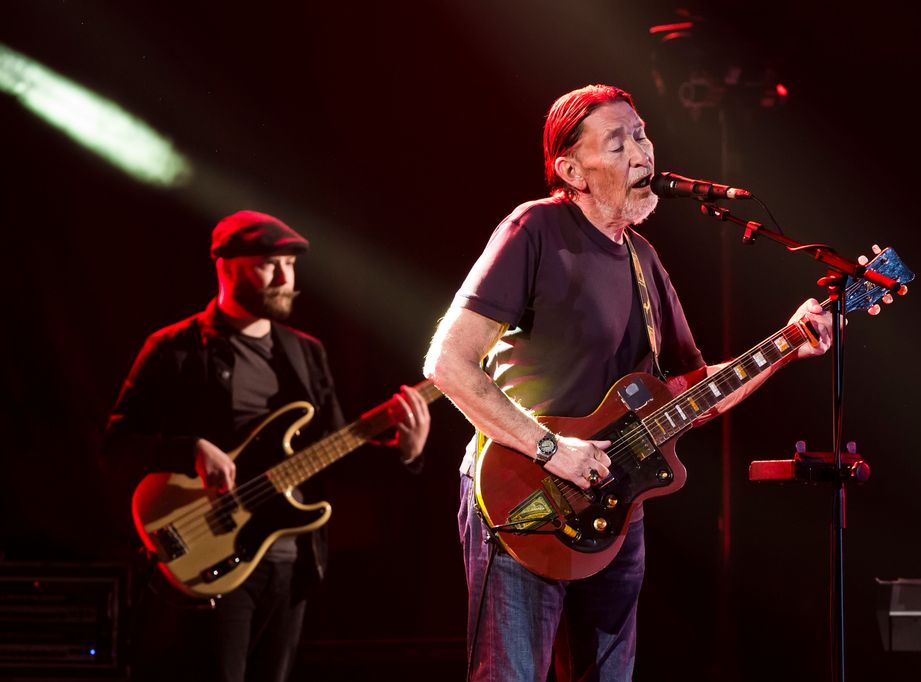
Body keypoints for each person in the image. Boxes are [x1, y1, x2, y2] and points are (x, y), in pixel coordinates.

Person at [423, 84, 834, 680]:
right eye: (617, 142)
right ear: (573, 170)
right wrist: (552, 450)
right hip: (523, 492)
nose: (642, 152)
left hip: (614, 505)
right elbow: (447, 362)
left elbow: (692, 388)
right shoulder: (536, 229)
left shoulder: (643, 259)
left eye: (641, 134)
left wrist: (789, 344)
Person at [102, 210, 431, 682]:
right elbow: (118, 448)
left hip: (290, 561)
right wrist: (190, 448)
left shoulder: (305, 352)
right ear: (225, 265)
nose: (285, 278)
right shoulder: (175, 350)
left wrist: (407, 453)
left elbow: (334, 454)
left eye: (291, 265)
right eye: (269, 265)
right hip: (209, 556)